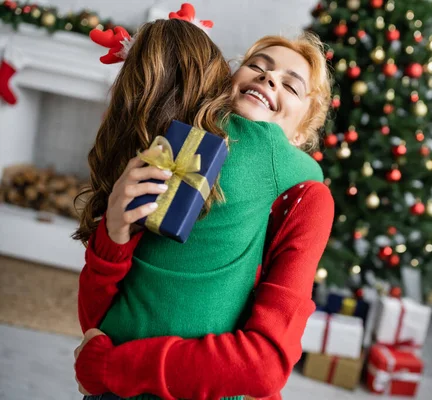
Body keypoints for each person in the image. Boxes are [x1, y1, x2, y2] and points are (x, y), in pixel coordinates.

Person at [74, 8, 334, 400]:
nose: (268, 77)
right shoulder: (179, 149)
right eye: (256, 66)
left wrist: (114, 367)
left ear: (299, 136)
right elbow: (95, 321)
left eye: (291, 86)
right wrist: (113, 232)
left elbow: (262, 365)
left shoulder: (303, 194)